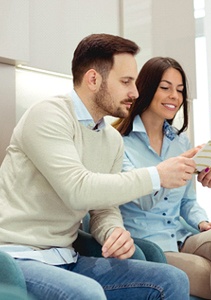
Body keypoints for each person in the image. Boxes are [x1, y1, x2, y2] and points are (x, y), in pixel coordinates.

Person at [0, 34, 197, 300]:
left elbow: (104, 207)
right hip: (18, 257)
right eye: (126, 82)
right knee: (88, 293)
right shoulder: (48, 115)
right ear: (93, 79)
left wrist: (113, 231)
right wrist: (157, 176)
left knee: (171, 279)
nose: (135, 93)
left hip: (68, 256)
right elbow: (78, 189)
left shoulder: (111, 139)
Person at [115, 56, 211, 300]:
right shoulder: (120, 143)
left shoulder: (180, 141)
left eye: (180, 90)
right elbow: (142, 200)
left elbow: (187, 201)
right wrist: (172, 168)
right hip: (150, 246)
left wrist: (202, 223)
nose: (174, 95)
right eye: (165, 88)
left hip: (181, 238)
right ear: (146, 88)